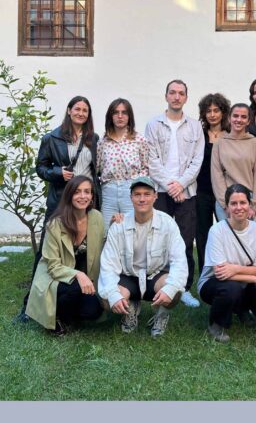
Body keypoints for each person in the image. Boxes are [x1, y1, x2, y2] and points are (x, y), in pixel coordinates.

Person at [97, 177, 188, 337]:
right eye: (137, 194)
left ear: (155, 196)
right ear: (131, 197)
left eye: (147, 194)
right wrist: (113, 295)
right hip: (128, 276)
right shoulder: (119, 225)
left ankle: (162, 313)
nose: (142, 199)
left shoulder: (168, 223)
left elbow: (179, 261)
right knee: (106, 299)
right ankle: (130, 308)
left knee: (174, 291)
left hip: (155, 275)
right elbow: (108, 264)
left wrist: (170, 289)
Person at [144, 79, 205, 308]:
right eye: (172, 92)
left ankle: (184, 288)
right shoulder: (153, 125)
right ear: (166, 96)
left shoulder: (195, 127)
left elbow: (197, 160)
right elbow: (151, 160)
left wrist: (181, 185)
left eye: (181, 93)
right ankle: (159, 284)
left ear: (186, 98)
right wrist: (171, 186)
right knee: (158, 240)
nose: (176, 97)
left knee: (185, 241)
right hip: (160, 191)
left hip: (186, 192)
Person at [25, 176, 106, 334]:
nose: (83, 196)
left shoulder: (96, 217)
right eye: (77, 192)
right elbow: (53, 267)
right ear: (69, 195)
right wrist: (79, 275)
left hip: (82, 280)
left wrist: (117, 224)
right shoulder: (55, 224)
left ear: (92, 196)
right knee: (74, 289)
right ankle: (54, 318)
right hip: (55, 277)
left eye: (87, 192)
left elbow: (103, 245)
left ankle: (68, 316)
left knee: (93, 311)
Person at [199, 184, 256, 343]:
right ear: (226, 208)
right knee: (231, 288)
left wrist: (235, 269)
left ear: (250, 205)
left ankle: (243, 309)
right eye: (233, 203)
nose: (239, 207)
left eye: (243, 202)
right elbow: (220, 273)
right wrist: (252, 278)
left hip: (240, 279)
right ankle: (216, 323)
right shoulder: (217, 231)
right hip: (214, 282)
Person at [36, 95, 100, 218]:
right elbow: (40, 168)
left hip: (86, 197)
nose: (81, 113)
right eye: (77, 109)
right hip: (63, 196)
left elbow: (97, 168)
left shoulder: (93, 138)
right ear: (69, 111)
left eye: (85, 110)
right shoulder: (51, 138)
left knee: (86, 229)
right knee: (57, 228)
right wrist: (58, 172)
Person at [211, 103, 256, 224]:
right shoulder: (219, 143)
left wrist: (254, 206)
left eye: (243, 117)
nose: (239, 120)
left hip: (251, 200)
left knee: (253, 236)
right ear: (229, 118)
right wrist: (226, 204)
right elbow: (216, 175)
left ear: (248, 121)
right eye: (235, 116)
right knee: (229, 236)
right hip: (227, 200)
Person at [97, 98, 151, 223]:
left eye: (124, 112)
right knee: (108, 228)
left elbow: (146, 167)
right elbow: (98, 168)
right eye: (116, 112)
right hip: (109, 190)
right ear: (110, 116)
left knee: (131, 227)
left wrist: (138, 187)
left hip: (131, 189)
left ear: (129, 116)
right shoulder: (103, 142)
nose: (120, 116)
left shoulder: (139, 140)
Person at [194, 93, 231, 276]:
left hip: (224, 191)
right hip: (201, 191)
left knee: (227, 232)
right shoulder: (199, 134)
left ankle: (227, 269)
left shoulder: (231, 134)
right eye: (208, 111)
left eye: (216, 110)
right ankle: (205, 273)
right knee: (202, 234)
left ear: (223, 112)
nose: (212, 114)